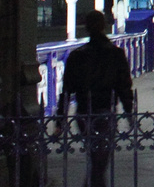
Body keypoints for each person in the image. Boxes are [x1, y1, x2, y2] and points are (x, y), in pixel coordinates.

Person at [57, 11, 135, 187]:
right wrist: (129, 113)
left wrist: (60, 118)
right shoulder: (116, 54)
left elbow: (67, 89)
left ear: (86, 27)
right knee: (100, 162)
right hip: (105, 112)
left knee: (96, 159)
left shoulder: (77, 55)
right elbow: (124, 87)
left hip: (84, 113)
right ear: (104, 26)